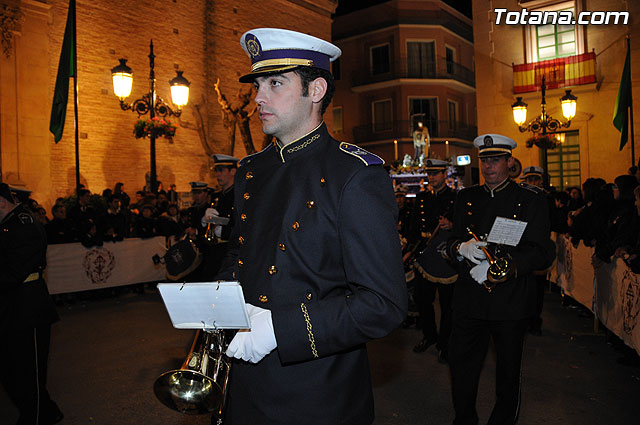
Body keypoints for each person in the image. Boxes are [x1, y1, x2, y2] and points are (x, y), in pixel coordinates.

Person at [213, 28, 407, 425]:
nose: (258, 98)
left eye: (275, 83)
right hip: (244, 378)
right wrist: (217, 307)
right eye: (257, 86)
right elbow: (240, 252)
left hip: (316, 392)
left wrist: (281, 331)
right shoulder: (251, 171)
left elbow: (382, 305)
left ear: (316, 90)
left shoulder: (354, 175)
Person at [445, 134, 555, 425]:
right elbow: (453, 239)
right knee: (462, 368)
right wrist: (460, 248)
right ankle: (464, 419)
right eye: (484, 160)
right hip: (470, 300)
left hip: (510, 302)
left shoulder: (530, 199)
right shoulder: (466, 197)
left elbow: (543, 251)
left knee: (507, 372)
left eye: (495, 160)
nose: (488, 166)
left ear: (510, 162)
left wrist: (505, 267)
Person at [0, 183, 64, 424]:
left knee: (28, 371)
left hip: (29, 307)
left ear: (1, 202)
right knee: (10, 368)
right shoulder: (9, 224)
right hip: (12, 306)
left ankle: (37, 417)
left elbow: (13, 272)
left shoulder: (23, 225)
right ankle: (47, 411)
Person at [409, 159, 457, 363]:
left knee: (448, 305)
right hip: (425, 256)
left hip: (446, 258)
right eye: (429, 173)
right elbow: (412, 226)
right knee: (422, 300)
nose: (431, 177)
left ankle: (444, 344)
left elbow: (466, 226)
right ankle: (430, 336)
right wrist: (410, 248)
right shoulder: (421, 198)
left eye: (436, 173)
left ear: (444, 174)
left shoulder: (456, 198)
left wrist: (451, 225)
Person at [520, 165, 550, 336]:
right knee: (524, 288)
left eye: (535, 179)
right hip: (524, 247)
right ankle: (524, 319)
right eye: (530, 179)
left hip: (538, 248)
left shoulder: (545, 198)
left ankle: (535, 321)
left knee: (538, 289)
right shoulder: (522, 197)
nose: (533, 182)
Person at [201, 154, 239, 278]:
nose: (217, 174)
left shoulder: (239, 194)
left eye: (221, 170)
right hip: (214, 249)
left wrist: (223, 227)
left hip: (230, 250)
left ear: (233, 171)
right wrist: (204, 221)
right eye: (217, 171)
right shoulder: (217, 196)